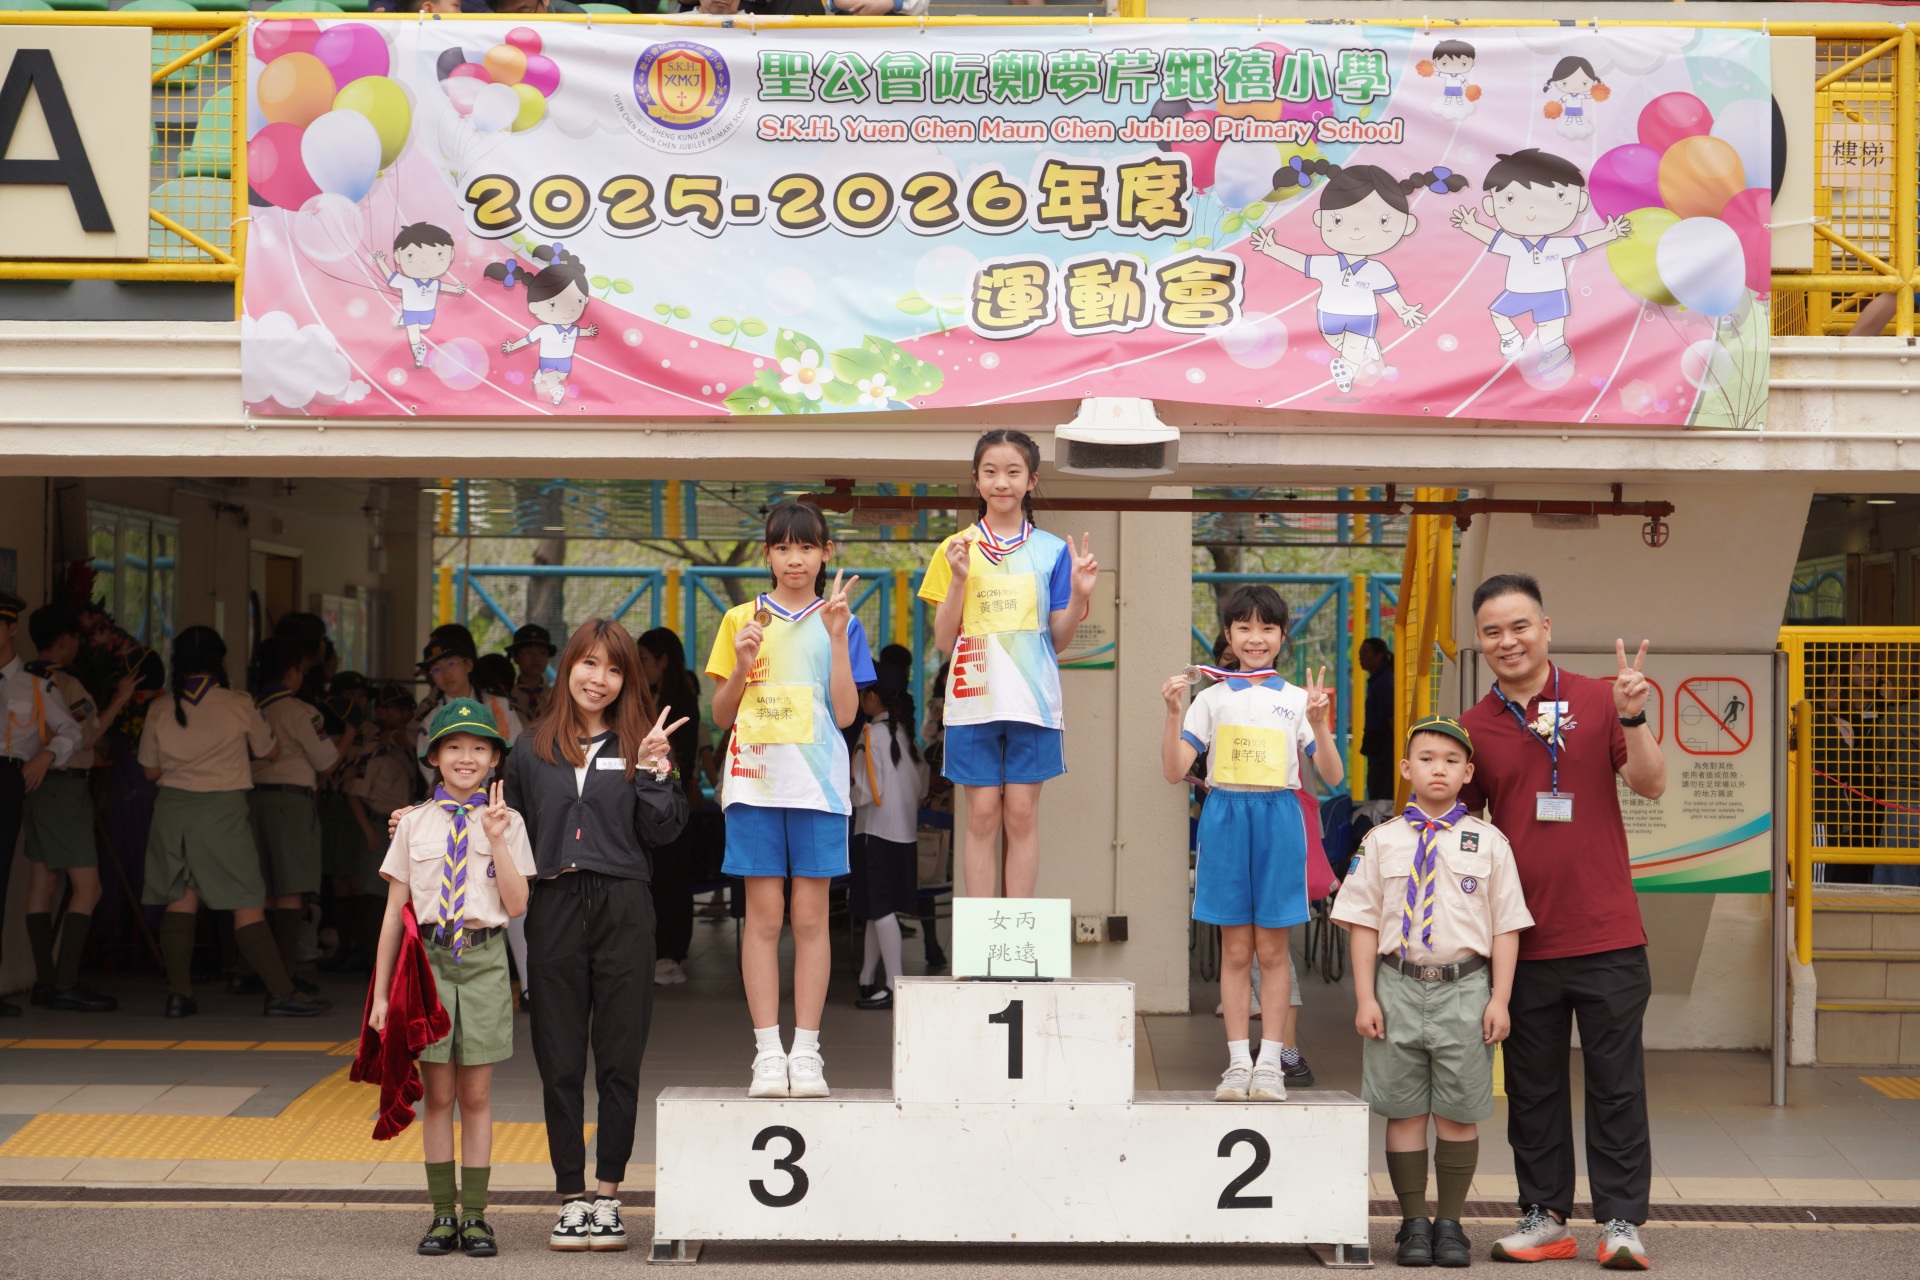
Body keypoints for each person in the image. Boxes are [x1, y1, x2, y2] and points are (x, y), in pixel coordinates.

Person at [1458, 573, 1664, 1270]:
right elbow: (1461, 827)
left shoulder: (1602, 699)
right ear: (1480, 640)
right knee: (1532, 1088)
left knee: (1617, 1085)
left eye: (1520, 626)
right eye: (1493, 631)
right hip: (1520, 940)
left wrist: (1633, 717)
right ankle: (1544, 1216)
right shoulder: (1474, 727)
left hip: (1608, 931)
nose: (1508, 641)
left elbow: (1651, 783)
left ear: (1545, 628)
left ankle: (1621, 1223)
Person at [505, 620, 684, 1251]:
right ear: (569, 667)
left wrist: (656, 770)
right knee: (557, 1057)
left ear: (626, 680)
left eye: (613, 669)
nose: (598, 679)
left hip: (624, 905)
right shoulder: (530, 749)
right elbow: (500, 822)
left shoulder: (642, 744)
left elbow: (664, 833)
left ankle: (607, 1197)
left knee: (618, 1056)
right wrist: (419, 815)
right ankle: (569, 1197)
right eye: (588, 663)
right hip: (553, 903)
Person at [1332, 714, 1531, 1268]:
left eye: (1451, 761)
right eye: (1426, 759)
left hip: (1465, 990)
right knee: (1403, 1111)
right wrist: (1365, 997)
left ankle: (1451, 1223)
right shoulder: (1381, 841)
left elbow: (1506, 926)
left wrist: (1500, 998)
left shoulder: (1489, 843)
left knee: (1458, 1111)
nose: (1438, 769)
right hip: (1397, 986)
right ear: (1405, 768)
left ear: (1468, 773)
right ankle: (1413, 1222)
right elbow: (1363, 923)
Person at [708, 501, 874, 1099]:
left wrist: (837, 637)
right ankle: (766, 1053)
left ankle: (806, 1051)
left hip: (819, 789)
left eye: (806, 547)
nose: (794, 559)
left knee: (809, 919)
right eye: (782, 547)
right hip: (754, 786)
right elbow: (720, 715)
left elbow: (848, 715)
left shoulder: (842, 621)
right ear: (768, 554)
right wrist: (742, 664)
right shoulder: (739, 620)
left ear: (826, 553)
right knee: (763, 919)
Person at [1158, 584, 1342, 1104]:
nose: (1255, 638)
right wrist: (1172, 713)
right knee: (1236, 951)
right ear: (1228, 635)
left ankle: (1271, 1065)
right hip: (1224, 817)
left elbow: (1332, 775)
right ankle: (1238, 1064)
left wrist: (1320, 724)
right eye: (1244, 627)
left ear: (1283, 636)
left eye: (1267, 628)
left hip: (1279, 818)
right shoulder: (1209, 698)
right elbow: (1173, 771)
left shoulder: (1297, 700)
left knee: (1273, 951)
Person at [371, 699, 534, 1259]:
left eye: (480, 747)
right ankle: (443, 1214)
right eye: (455, 747)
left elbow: (517, 905)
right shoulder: (412, 822)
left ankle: (478, 1217)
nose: (467, 757)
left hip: (485, 963)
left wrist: (495, 837)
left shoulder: (510, 822)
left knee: (477, 1095)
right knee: (438, 1096)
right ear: (434, 756)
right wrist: (379, 996)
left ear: (495, 759)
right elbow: (393, 915)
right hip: (428, 966)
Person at [919, 429, 1097, 899]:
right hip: (973, 700)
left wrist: (1079, 596)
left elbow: (1057, 641)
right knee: (980, 816)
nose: (1002, 482)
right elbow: (944, 640)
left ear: (1031, 480)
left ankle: (1017, 928)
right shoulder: (954, 549)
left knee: (1020, 814)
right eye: (991, 472)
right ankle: (982, 933)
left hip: (1032, 702)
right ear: (976, 479)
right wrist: (959, 579)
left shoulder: (1053, 551)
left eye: (1013, 472)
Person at [138, 627, 328, 1019]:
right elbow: (269, 750)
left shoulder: (160, 707)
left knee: (181, 899)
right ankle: (280, 992)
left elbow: (151, 771)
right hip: (222, 811)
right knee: (247, 903)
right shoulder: (239, 703)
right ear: (219, 661)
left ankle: (178, 994)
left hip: (172, 811)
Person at [21, 603, 132, 1013]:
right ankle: (66, 982)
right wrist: (119, 700)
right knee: (89, 887)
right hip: (66, 788)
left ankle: (44, 981)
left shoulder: (19, 679)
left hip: (32, 786)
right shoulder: (66, 684)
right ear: (66, 641)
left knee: (43, 882)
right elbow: (86, 737)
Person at [415, 633, 531, 998]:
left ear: (468, 664)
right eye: (436, 669)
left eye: (451, 664)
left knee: (510, 892)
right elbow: (431, 777)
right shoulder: (430, 719)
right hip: (450, 811)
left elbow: (520, 757)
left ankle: (529, 983)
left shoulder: (499, 706)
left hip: (499, 806)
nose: (445, 674)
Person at [0, 590, 84, 1017]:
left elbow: (72, 731)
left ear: (12, 628)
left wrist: (47, 754)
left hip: (7, 777)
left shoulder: (35, 683)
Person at [248, 636, 343, 992]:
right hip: (290, 803)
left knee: (262, 889)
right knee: (291, 889)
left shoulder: (249, 706)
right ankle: (284, 977)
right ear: (291, 673)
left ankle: (256, 971)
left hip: (252, 800)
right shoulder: (300, 712)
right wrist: (349, 733)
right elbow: (327, 762)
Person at [851, 665, 931, 1010]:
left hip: (875, 834)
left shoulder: (871, 735)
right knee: (878, 909)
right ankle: (867, 977)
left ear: (871, 697)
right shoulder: (908, 738)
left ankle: (893, 984)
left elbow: (864, 792)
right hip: (904, 835)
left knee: (880, 910)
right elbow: (923, 787)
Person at [635, 627, 703, 987]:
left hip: (671, 801)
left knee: (672, 882)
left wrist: (661, 776)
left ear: (663, 660)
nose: (638, 665)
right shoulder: (642, 697)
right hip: (646, 801)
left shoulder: (681, 702)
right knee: (653, 880)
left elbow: (680, 763)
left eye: (643, 659)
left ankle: (671, 953)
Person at [343, 684, 421, 973]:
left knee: (399, 895)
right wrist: (369, 832)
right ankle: (371, 961)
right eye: (396, 709)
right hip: (379, 824)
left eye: (407, 708)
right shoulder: (373, 750)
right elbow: (353, 794)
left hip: (405, 825)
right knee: (376, 896)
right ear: (382, 712)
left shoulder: (405, 746)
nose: (404, 714)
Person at [1359, 636, 1396, 803]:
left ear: (1379, 656)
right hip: (1379, 751)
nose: (1361, 657)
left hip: (1384, 754)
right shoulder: (1378, 681)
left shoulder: (1383, 683)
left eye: (1365, 653)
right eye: (1360, 653)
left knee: (1381, 800)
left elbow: (1391, 718)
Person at [508, 623, 557, 727]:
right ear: (515, 657)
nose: (536, 658)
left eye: (542, 652)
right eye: (528, 652)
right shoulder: (507, 696)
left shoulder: (556, 698)